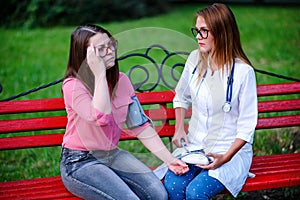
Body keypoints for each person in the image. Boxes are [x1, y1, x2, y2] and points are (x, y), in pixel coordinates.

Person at [60, 24, 188, 200]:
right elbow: (101, 117)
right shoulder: (73, 87)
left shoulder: (122, 81)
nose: (110, 51)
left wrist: (169, 159)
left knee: (159, 194)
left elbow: (141, 126)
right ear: (86, 56)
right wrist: (99, 76)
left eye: (111, 44)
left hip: (112, 156)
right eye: (101, 49)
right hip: (80, 162)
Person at [164, 3, 258, 199]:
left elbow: (247, 125)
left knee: (196, 192)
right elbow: (181, 96)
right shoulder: (194, 59)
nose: (198, 37)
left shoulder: (243, 72)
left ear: (222, 32)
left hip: (228, 151)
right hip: (196, 147)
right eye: (197, 31)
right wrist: (179, 127)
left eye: (204, 31)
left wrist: (225, 157)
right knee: (173, 186)